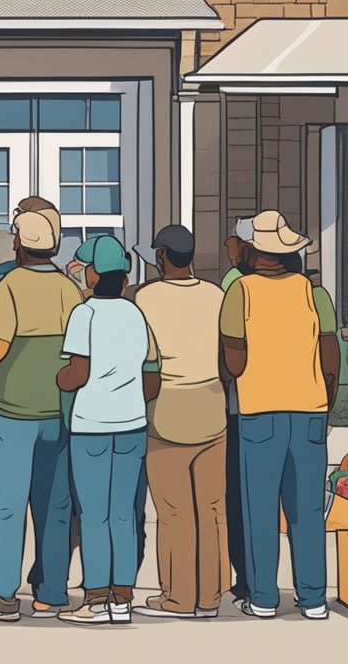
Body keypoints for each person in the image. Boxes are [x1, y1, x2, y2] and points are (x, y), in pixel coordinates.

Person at [219, 211, 338, 620]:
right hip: (309, 412)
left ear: (253, 251)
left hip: (259, 412)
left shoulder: (241, 292)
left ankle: (265, 598)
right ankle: (313, 598)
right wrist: (325, 401)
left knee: (260, 509)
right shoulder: (314, 293)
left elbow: (233, 361)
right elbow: (331, 357)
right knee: (307, 510)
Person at [0, 210, 81, 622]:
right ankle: (51, 593)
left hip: (12, 410)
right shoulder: (69, 289)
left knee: (9, 507)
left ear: (19, 244)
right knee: (55, 506)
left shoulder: (11, 285)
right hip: (58, 411)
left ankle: (4, 598)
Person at [55, 236, 161, 625]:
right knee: (123, 514)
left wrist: (61, 377)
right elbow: (152, 376)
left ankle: (96, 599)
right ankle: (123, 598)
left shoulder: (85, 314)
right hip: (132, 425)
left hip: (92, 427)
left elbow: (76, 374)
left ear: (95, 273)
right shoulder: (136, 315)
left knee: (94, 514)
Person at [130, 226, 229, 620]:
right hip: (211, 404)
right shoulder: (216, 294)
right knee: (211, 507)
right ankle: (210, 596)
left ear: (162, 257)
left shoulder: (145, 297)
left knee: (173, 511)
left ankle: (178, 597)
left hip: (167, 407)